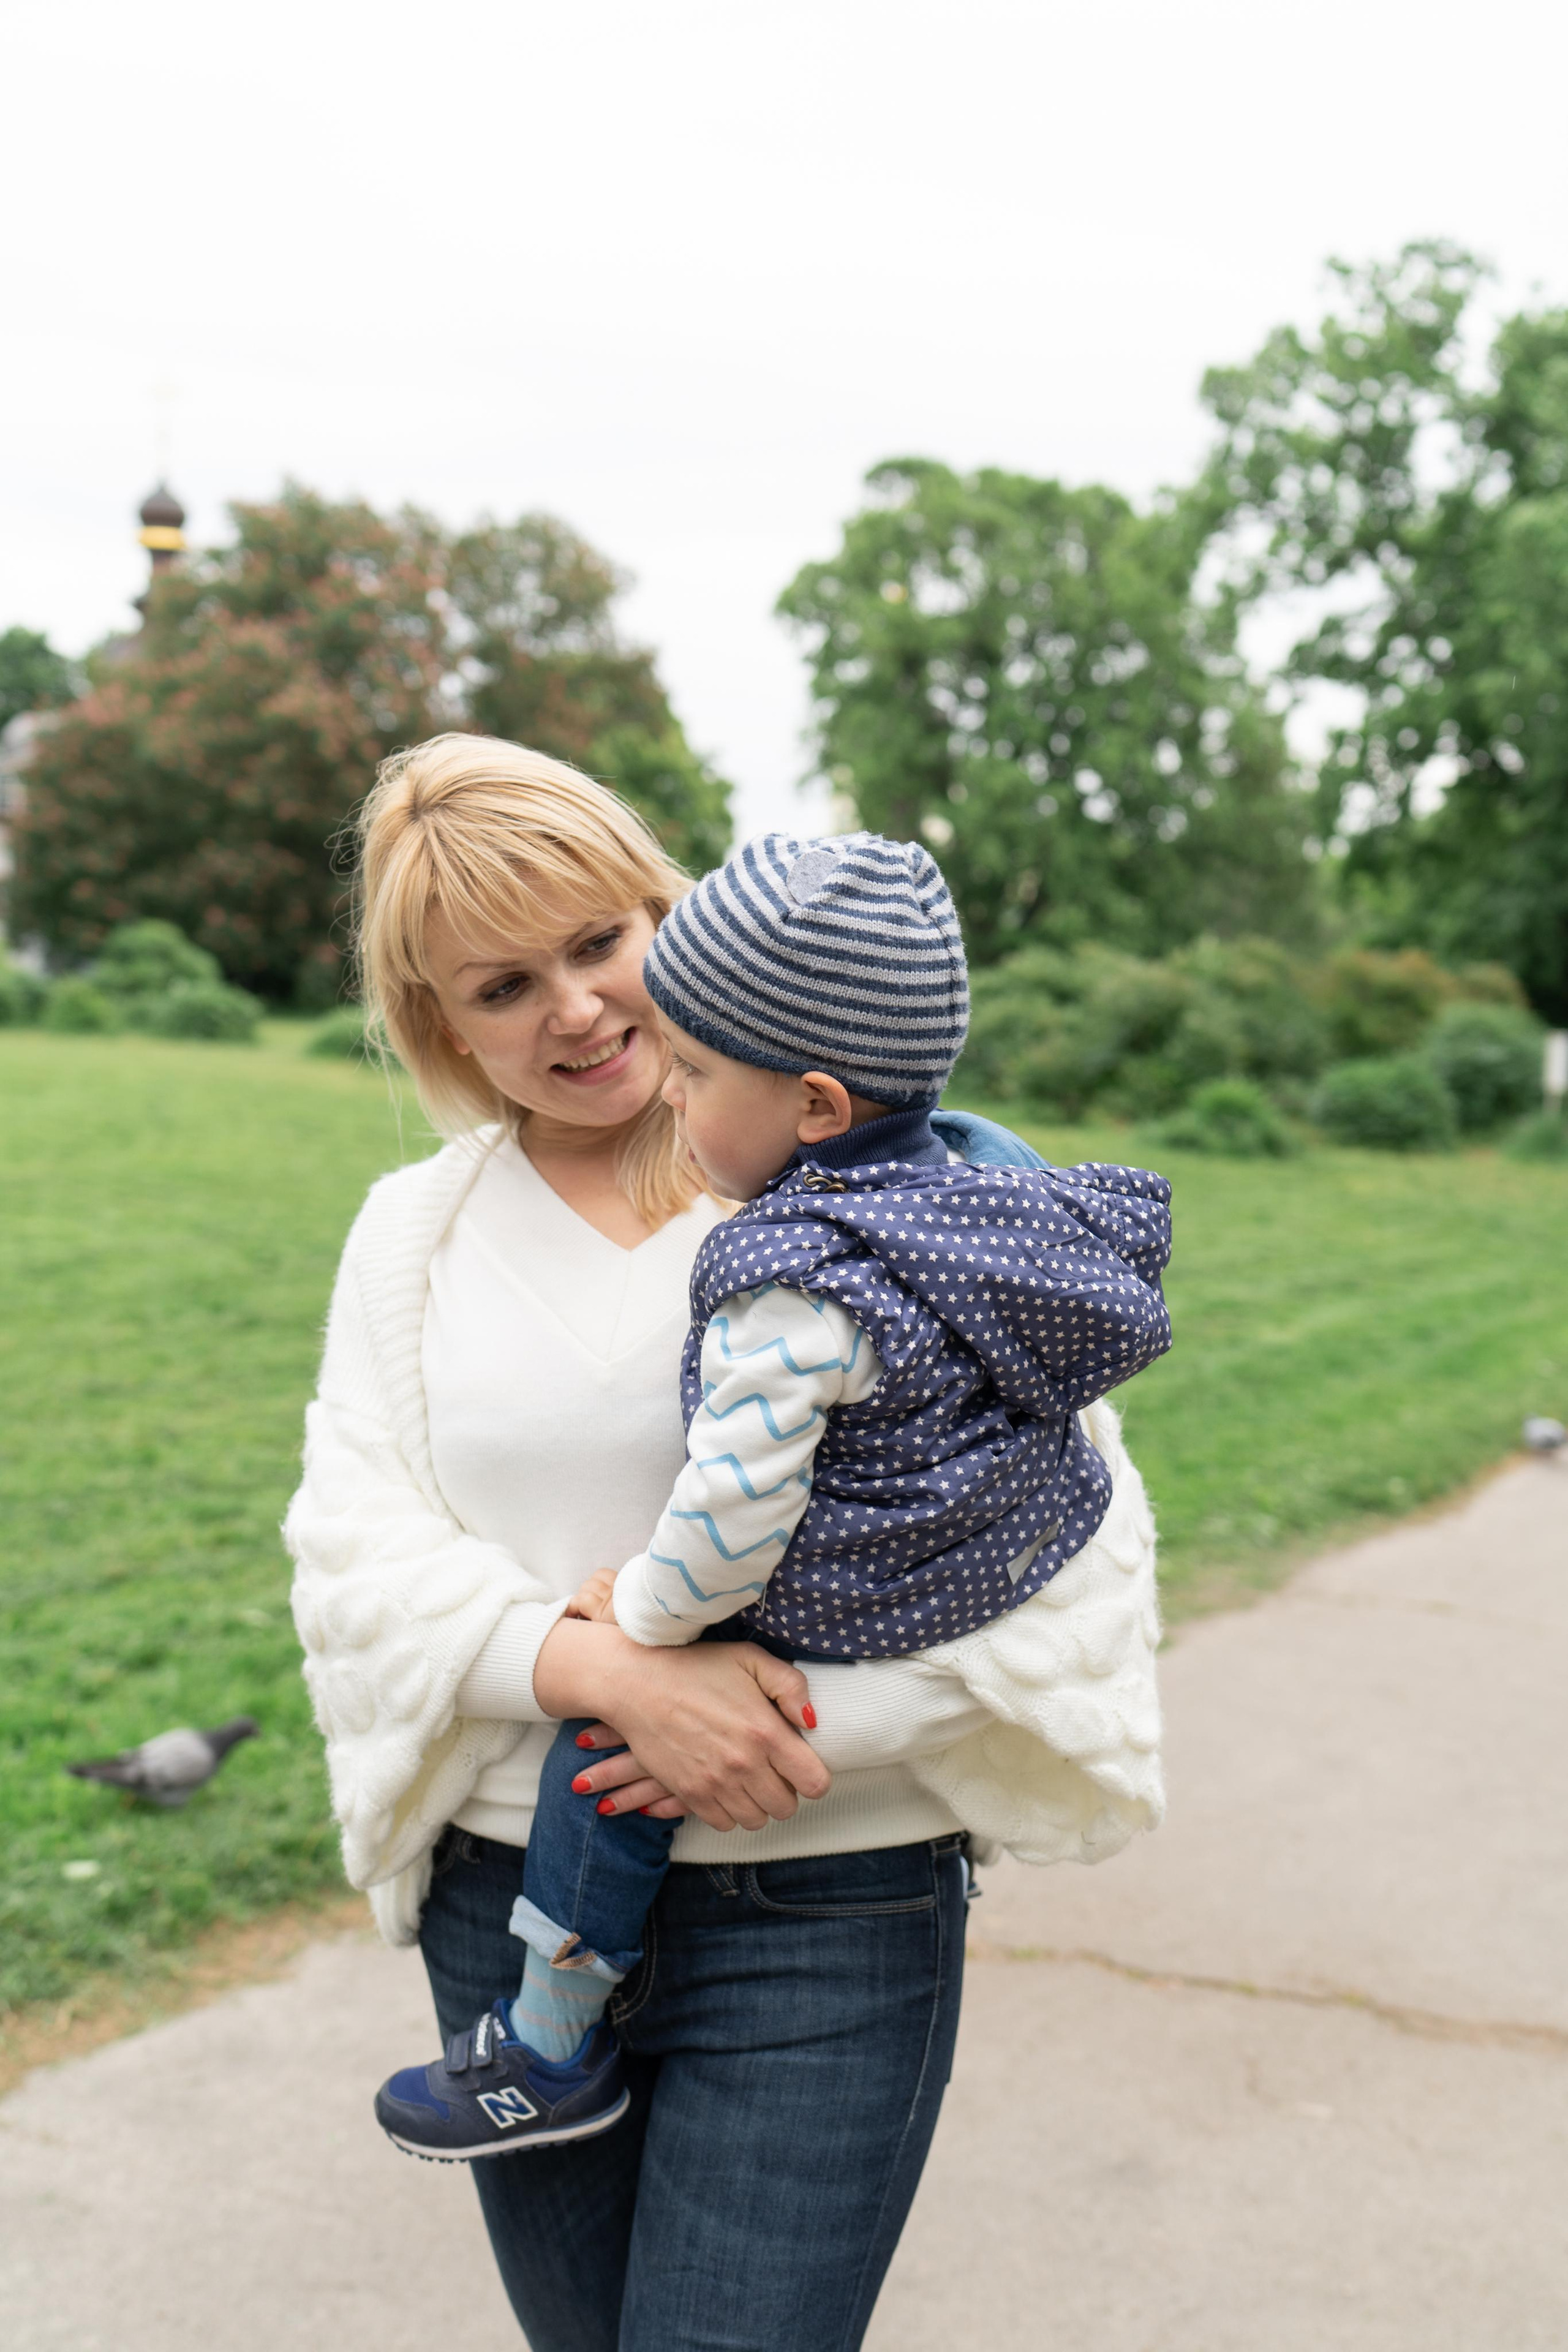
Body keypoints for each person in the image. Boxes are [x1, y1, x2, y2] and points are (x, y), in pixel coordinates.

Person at [285, 735, 1166, 2352]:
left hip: (827, 1911)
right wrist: (613, 1674)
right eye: (499, 987)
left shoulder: (896, 1194)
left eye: (598, 942)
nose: (572, 1010)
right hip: (512, 1903)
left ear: (668, 920)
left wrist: (781, 1728)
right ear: (437, 1024)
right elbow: (350, 1547)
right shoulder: (415, 1239)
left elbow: (1079, 1551)